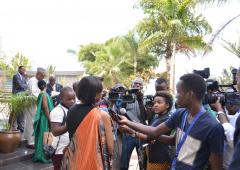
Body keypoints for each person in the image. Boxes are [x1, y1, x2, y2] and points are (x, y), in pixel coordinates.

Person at [119, 73, 224, 170]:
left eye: (178, 92)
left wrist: (131, 127)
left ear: (190, 94)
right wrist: (128, 123)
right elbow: (161, 135)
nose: (176, 96)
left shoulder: (213, 127)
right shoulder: (180, 114)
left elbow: (216, 166)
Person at [64, 76, 113, 169]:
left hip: (74, 163)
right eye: (100, 91)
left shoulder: (70, 110)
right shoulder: (102, 115)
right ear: (95, 95)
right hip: (93, 164)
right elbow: (110, 149)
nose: (102, 93)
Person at [121, 92, 173, 170]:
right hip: (152, 156)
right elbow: (147, 129)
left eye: (159, 102)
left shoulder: (165, 119)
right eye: (154, 103)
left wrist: (131, 131)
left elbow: (148, 137)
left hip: (159, 159)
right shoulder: (156, 116)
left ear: (167, 105)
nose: (155, 105)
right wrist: (136, 125)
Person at [50, 87, 76, 170]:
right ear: (61, 98)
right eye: (69, 99)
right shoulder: (57, 111)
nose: (72, 101)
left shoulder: (71, 109)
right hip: (60, 150)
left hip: (69, 148)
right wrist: (70, 125)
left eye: (73, 98)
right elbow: (55, 131)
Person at [33, 80, 54, 163]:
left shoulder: (40, 94)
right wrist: (50, 118)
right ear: (45, 86)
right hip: (45, 118)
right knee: (44, 136)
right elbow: (45, 107)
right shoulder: (44, 94)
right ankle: (42, 156)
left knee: (42, 135)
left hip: (42, 117)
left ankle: (40, 154)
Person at [24, 67, 46, 149]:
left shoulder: (38, 81)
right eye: (42, 76)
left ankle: (28, 138)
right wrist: (42, 96)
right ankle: (30, 142)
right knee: (32, 122)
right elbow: (34, 93)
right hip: (32, 104)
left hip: (35, 104)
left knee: (31, 122)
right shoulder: (32, 80)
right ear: (38, 74)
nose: (43, 78)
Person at [11, 66, 28, 132]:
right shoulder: (16, 76)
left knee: (21, 112)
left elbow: (26, 85)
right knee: (15, 111)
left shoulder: (23, 77)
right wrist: (25, 86)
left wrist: (25, 84)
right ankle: (12, 126)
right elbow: (20, 85)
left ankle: (20, 127)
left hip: (22, 97)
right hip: (16, 97)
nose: (24, 71)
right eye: (23, 69)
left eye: (25, 70)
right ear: (19, 69)